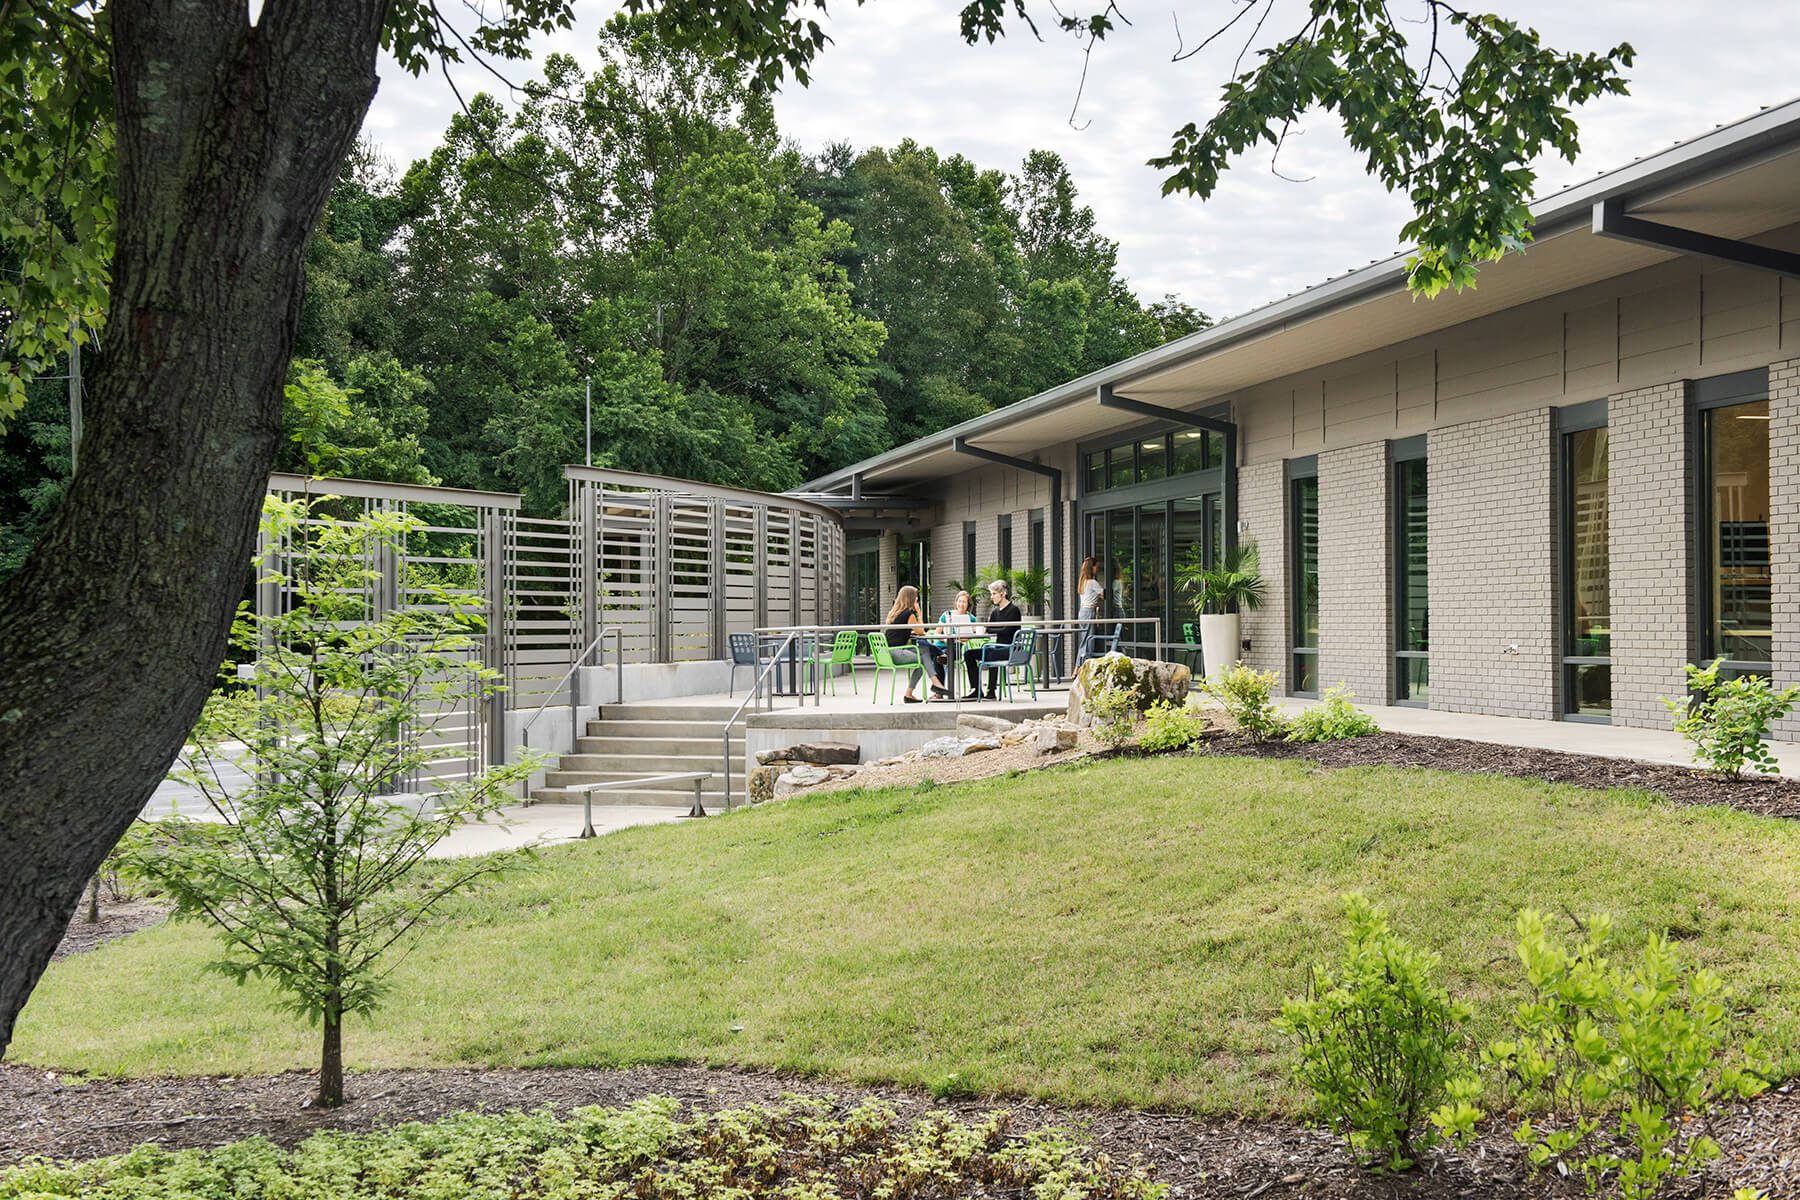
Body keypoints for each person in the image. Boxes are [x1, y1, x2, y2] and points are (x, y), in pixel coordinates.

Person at [883, 585, 947, 702]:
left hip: (889, 652)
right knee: (923, 659)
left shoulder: (895, 612)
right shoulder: (908, 614)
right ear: (911, 598)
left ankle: (912, 694)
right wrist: (919, 611)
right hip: (896, 652)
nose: (917, 599)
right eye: (916, 597)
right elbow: (921, 631)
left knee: (924, 650)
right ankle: (936, 684)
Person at [966, 579, 1021, 699]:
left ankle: (991, 691)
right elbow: (990, 629)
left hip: (1010, 649)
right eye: (991, 594)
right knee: (969, 654)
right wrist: (992, 629)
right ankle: (976, 690)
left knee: (991, 653)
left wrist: (994, 629)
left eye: (994, 593)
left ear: (1003, 593)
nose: (992, 597)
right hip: (999, 648)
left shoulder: (1014, 610)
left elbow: (1008, 630)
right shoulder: (995, 612)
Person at [1076, 556, 1104, 663]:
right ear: (1091, 568)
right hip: (1089, 612)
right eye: (1096, 567)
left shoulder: (1083, 582)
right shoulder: (1092, 582)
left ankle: (1078, 667)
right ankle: (1079, 667)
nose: (1098, 569)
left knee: (1085, 640)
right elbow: (1103, 595)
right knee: (1088, 641)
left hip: (1082, 612)